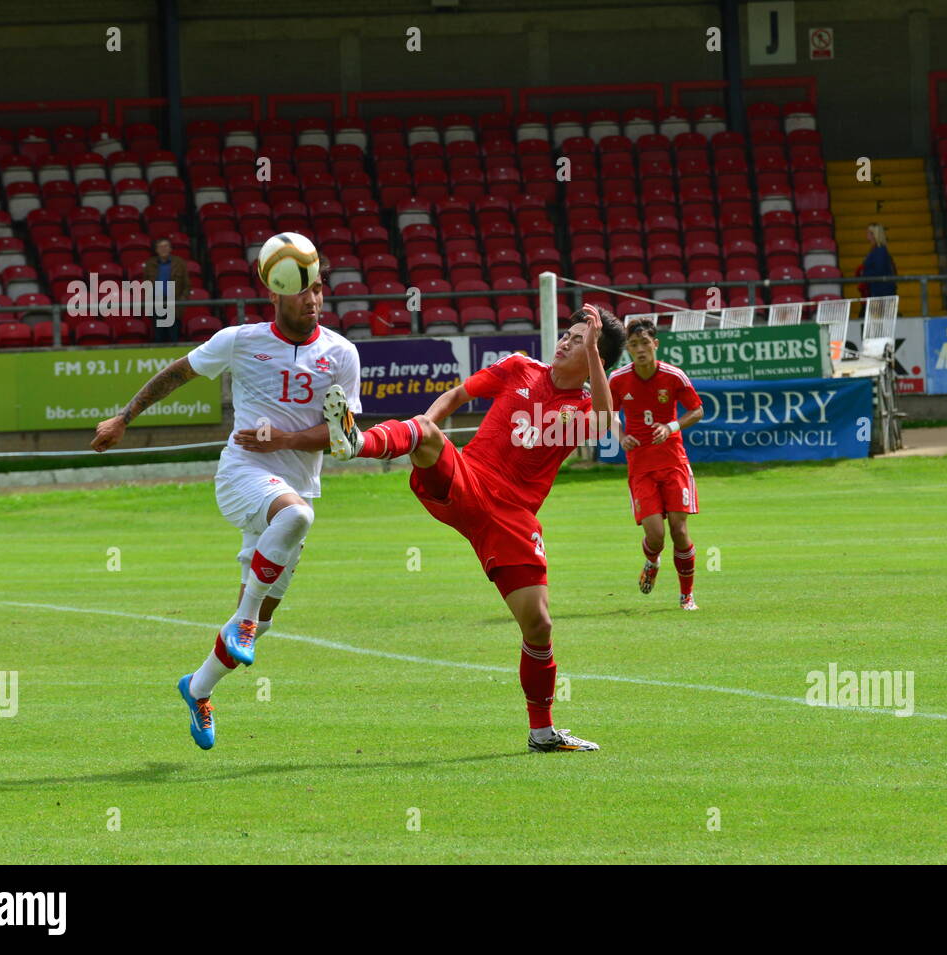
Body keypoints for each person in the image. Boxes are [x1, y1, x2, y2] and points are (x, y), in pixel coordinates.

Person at [322, 304, 627, 752]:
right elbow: (458, 395)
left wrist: (596, 353)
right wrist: (424, 428)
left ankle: (542, 733)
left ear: (597, 358)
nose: (564, 341)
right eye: (567, 334)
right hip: (468, 480)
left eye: (578, 340)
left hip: (513, 518)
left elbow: (605, 422)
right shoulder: (520, 368)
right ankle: (356, 441)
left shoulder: (584, 406)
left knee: (539, 626)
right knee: (426, 431)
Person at [90, 263, 361, 750]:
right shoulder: (240, 339)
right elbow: (179, 372)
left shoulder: (342, 353)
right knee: (294, 521)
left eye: (318, 288)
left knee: (262, 621)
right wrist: (124, 418)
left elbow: (342, 433)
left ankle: (197, 689)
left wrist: (289, 439)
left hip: (297, 484)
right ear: (277, 294)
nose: (314, 299)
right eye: (303, 291)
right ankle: (244, 621)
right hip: (243, 475)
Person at [608, 318, 705, 610]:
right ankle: (652, 561)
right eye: (633, 345)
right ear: (627, 348)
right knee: (656, 534)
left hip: (673, 462)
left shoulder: (674, 376)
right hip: (640, 466)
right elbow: (608, 413)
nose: (640, 350)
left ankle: (686, 596)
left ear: (655, 344)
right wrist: (620, 435)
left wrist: (672, 426)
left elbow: (697, 409)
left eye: (644, 343)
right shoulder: (618, 379)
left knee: (679, 529)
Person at [142, 237, 189, 343]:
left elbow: (187, 285)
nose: (163, 249)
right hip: (156, 304)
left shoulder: (179, 263)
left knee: (174, 337)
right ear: (156, 250)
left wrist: (180, 301)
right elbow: (145, 284)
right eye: (160, 247)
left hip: (174, 304)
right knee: (158, 337)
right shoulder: (150, 264)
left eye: (166, 246)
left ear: (170, 248)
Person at [857, 223, 898, 299]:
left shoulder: (879, 250)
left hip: (882, 291)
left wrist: (864, 272)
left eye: (868, 233)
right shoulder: (876, 249)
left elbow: (879, 270)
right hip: (878, 289)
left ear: (874, 235)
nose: (867, 235)